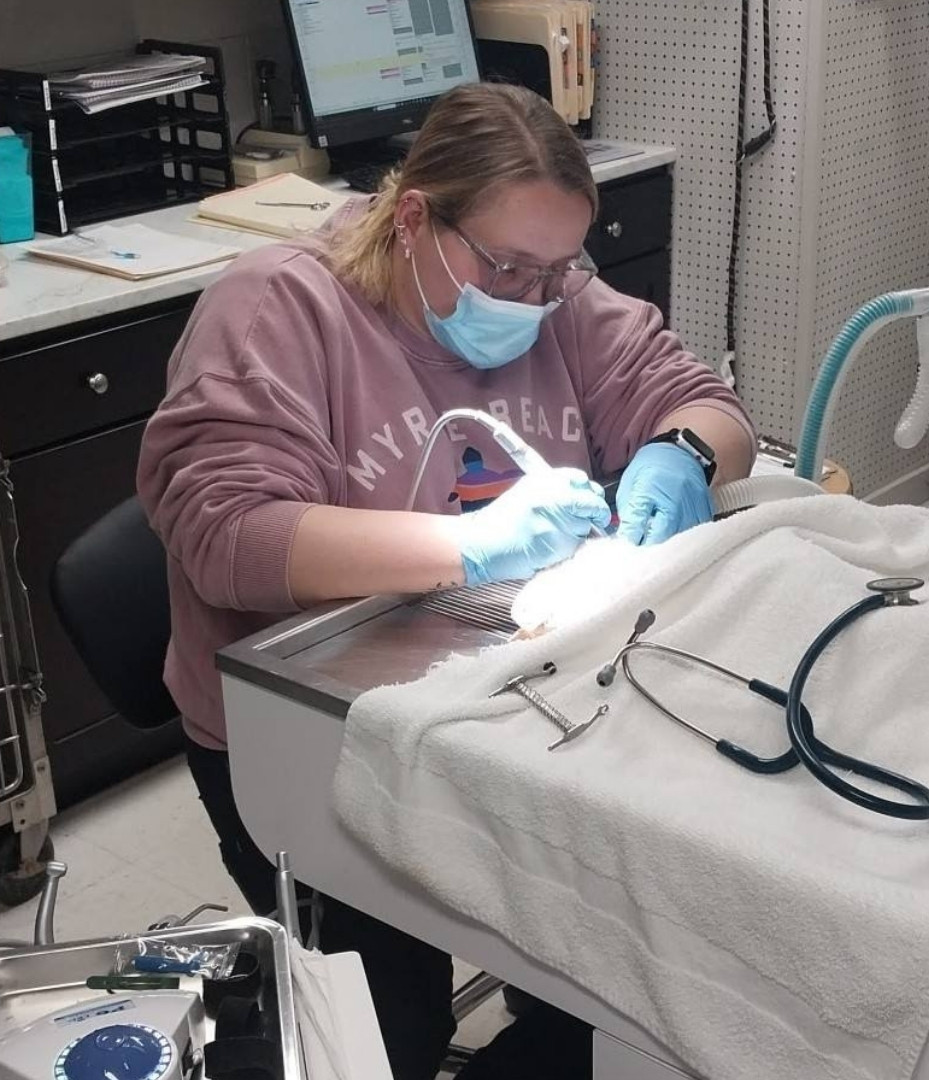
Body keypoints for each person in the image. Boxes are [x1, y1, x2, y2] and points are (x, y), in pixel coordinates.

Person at [138, 82, 755, 1080]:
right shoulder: (277, 310)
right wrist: (463, 546)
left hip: (500, 725)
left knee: (604, 994)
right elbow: (226, 535)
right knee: (384, 1037)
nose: (534, 297)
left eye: (556, 271)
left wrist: (681, 451)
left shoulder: (556, 297)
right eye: (508, 266)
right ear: (415, 215)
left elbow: (702, 399)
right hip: (301, 735)